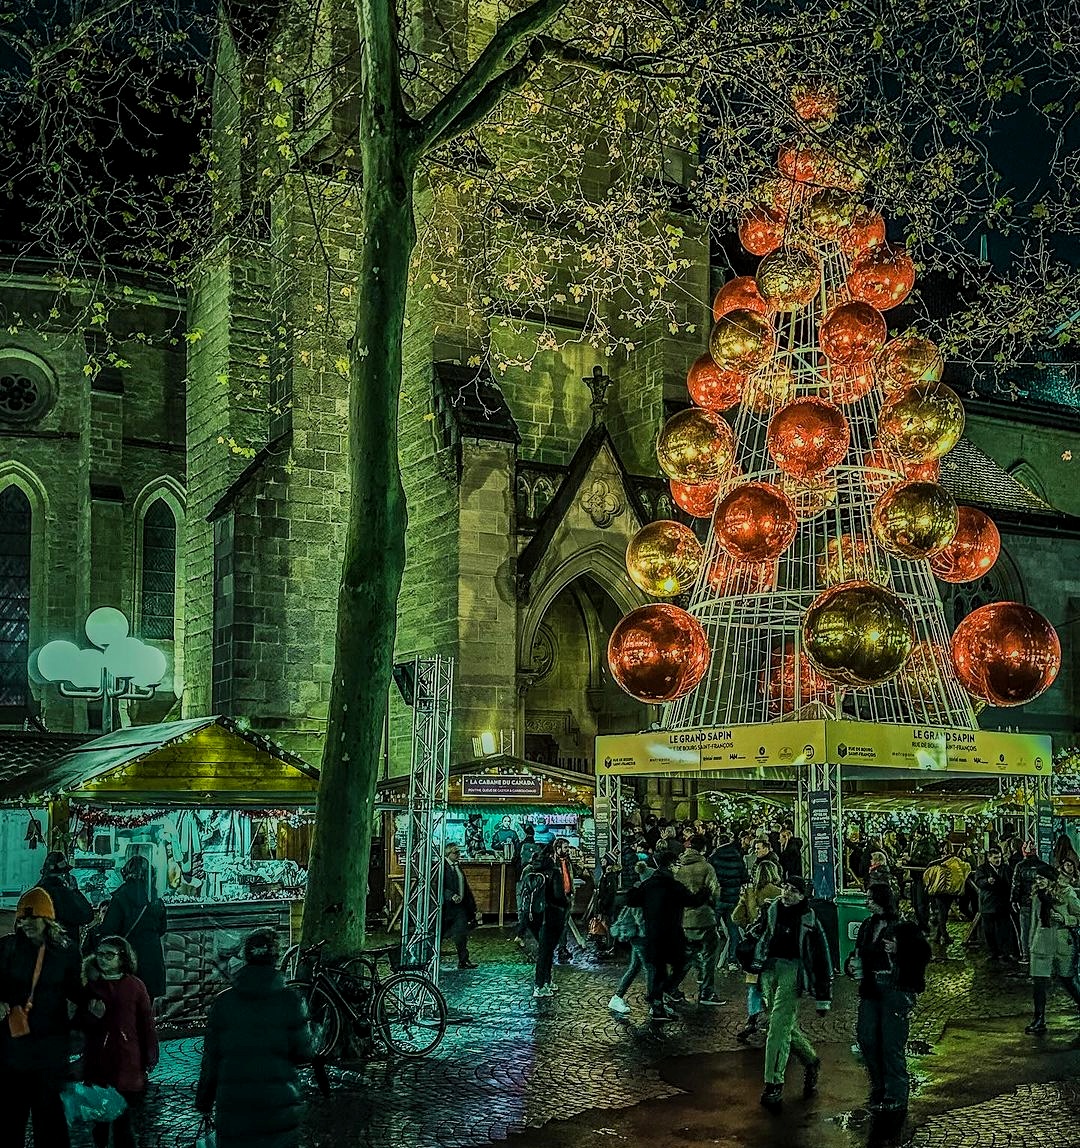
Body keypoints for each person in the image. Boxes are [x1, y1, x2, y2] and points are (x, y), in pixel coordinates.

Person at [196, 928, 313, 1148]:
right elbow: (303, 1053)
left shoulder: (223, 1003)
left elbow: (211, 1060)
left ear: (246, 956)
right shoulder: (290, 1001)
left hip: (234, 1108)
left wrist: (203, 1101)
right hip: (277, 1107)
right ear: (276, 957)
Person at [0, 886, 89, 1148]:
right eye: (22, 918)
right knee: (9, 1118)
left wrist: (91, 1004)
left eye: (32, 918)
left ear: (47, 919)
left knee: (49, 1118)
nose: (26, 924)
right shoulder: (7, 947)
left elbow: (77, 990)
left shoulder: (66, 952)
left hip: (49, 1048)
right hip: (12, 1046)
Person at [748, 876, 832, 1110]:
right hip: (768, 970)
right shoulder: (771, 909)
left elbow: (821, 957)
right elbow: (760, 935)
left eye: (794, 890)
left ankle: (773, 1084)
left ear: (803, 895)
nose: (786, 892)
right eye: (785, 887)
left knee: (776, 1028)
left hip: (792, 972)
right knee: (784, 1025)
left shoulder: (810, 919)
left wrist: (823, 996)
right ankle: (810, 1060)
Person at [848, 884, 932, 1117]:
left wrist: (899, 948)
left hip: (895, 990)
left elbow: (923, 953)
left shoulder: (902, 927)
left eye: (870, 898)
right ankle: (879, 1086)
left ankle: (896, 1093)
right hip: (871, 990)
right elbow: (858, 953)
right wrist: (852, 965)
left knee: (891, 1044)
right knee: (867, 1038)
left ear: (883, 900)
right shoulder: (868, 925)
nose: (867, 902)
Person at [82, 935, 159, 1148]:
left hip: (127, 1060)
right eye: (100, 954)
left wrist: (150, 1053)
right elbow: (80, 1022)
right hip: (98, 1062)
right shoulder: (92, 986)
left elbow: (146, 1022)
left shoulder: (135, 986)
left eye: (109, 955)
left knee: (123, 1122)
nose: (103, 959)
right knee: (100, 1123)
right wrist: (92, 1016)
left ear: (122, 957)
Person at [624, 848, 710, 1021]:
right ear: (671, 866)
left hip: (653, 936)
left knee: (659, 970)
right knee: (681, 963)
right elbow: (693, 901)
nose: (678, 867)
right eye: (677, 864)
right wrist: (705, 891)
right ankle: (661, 994)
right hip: (672, 936)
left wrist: (634, 888)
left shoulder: (649, 884)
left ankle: (657, 1005)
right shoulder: (674, 886)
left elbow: (632, 900)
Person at [92, 855, 167, 1002]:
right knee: (145, 1004)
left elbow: (109, 930)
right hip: (151, 959)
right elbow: (162, 928)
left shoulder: (120, 897)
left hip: (127, 960)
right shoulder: (155, 898)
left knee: (125, 1005)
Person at [1024, 864, 1080, 1035]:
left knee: (1067, 979)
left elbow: (1078, 916)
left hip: (1063, 942)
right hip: (1041, 943)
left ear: (1050, 879)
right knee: (1039, 983)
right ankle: (1039, 1019)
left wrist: (1064, 918)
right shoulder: (1037, 897)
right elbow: (1033, 922)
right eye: (1037, 879)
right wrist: (1030, 946)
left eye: (1041, 878)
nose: (1038, 881)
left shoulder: (1067, 893)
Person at [732, 859, 783, 1043]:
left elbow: (736, 916)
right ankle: (774, 1019)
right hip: (774, 948)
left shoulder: (749, 893)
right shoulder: (780, 894)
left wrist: (749, 927)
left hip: (754, 948)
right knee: (774, 984)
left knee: (754, 985)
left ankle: (752, 1017)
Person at [675, 835, 723, 1004]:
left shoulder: (679, 868)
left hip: (685, 919)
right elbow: (714, 891)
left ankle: (671, 987)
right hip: (704, 917)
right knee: (710, 954)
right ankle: (707, 992)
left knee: (688, 955)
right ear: (703, 848)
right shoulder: (706, 867)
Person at [608, 862, 651, 1016]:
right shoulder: (642, 896)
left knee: (635, 968)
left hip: (636, 937)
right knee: (651, 969)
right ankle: (656, 1004)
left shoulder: (639, 892)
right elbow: (641, 921)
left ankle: (617, 997)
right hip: (640, 938)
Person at [534, 839, 574, 998]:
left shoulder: (534, 871)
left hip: (537, 916)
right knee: (546, 952)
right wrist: (565, 903)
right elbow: (559, 896)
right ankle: (540, 984)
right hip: (552, 916)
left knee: (544, 951)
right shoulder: (554, 872)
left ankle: (545, 982)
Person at [708, 827, 750, 968]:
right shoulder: (737, 857)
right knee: (733, 931)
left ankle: (709, 959)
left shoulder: (714, 857)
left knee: (712, 930)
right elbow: (744, 877)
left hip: (718, 898)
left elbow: (709, 879)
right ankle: (732, 960)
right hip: (733, 898)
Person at [36, 851, 94, 950]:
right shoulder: (64, 895)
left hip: (40, 952)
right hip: (65, 952)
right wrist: (75, 891)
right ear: (63, 875)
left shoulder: (35, 893)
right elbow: (87, 916)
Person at [974, 846, 1015, 961]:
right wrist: (987, 881)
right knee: (989, 931)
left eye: (1000, 857)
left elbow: (1011, 882)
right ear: (989, 858)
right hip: (988, 904)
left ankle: (1005, 952)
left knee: (1004, 930)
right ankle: (993, 952)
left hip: (1003, 904)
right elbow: (979, 882)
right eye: (995, 858)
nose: (998, 860)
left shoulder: (1006, 868)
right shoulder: (982, 869)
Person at [441, 844, 478, 970]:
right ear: (448, 854)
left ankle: (463, 960)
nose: (458, 855)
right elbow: (436, 886)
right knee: (439, 934)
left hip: (459, 907)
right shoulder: (442, 868)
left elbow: (465, 887)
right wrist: (450, 895)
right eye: (455, 853)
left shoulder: (457, 867)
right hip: (445, 907)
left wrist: (471, 906)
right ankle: (429, 959)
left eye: (458, 852)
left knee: (461, 933)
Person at [1011, 840, 1042, 963]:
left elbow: (1016, 885)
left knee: (1025, 930)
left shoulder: (1020, 866)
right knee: (1039, 929)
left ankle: (1026, 955)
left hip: (1025, 903)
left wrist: (1014, 900)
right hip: (1040, 902)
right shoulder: (1043, 865)